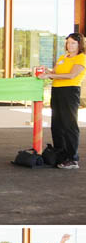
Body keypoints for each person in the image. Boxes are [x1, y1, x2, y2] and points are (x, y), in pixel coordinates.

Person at [39, 32, 86, 169]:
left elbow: (71, 75)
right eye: (68, 42)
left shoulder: (81, 58)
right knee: (57, 124)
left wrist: (50, 74)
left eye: (73, 43)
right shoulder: (63, 57)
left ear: (79, 45)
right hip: (57, 91)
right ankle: (60, 154)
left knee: (69, 125)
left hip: (70, 92)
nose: (69, 45)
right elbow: (55, 74)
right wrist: (47, 71)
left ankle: (72, 158)